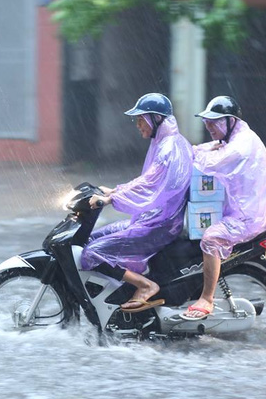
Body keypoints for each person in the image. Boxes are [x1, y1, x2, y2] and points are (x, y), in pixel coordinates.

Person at [81, 93, 193, 313]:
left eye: (141, 119)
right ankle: (119, 289)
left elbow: (151, 186)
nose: (138, 124)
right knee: (90, 238)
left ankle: (145, 285)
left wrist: (112, 198)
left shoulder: (169, 148)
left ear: (156, 119)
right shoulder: (163, 143)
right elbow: (146, 181)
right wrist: (115, 190)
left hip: (160, 226)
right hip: (150, 219)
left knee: (92, 253)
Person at [181, 96, 266, 320]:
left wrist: (193, 153)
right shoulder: (235, 137)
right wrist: (192, 150)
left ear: (230, 121)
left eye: (213, 123)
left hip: (249, 217)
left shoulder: (241, 144)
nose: (209, 127)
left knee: (211, 238)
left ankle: (207, 298)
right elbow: (208, 149)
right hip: (240, 208)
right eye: (207, 123)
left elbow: (212, 161)